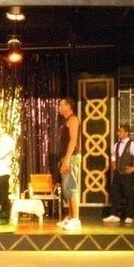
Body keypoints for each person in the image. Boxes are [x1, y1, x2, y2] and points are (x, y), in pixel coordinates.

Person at [103, 124, 134, 225]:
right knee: (115, 193)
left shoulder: (133, 145)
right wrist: (113, 162)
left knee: (128, 194)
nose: (118, 133)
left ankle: (130, 216)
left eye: (120, 131)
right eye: (118, 131)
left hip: (127, 174)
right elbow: (113, 154)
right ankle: (114, 214)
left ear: (126, 133)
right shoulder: (116, 144)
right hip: (117, 173)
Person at [57, 97, 82, 231]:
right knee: (67, 188)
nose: (59, 108)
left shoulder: (73, 119)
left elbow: (73, 140)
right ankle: (71, 217)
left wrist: (67, 159)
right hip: (66, 157)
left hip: (71, 157)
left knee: (72, 187)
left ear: (68, 106)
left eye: (61, 105)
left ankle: (76, 219)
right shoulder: (66, 120)